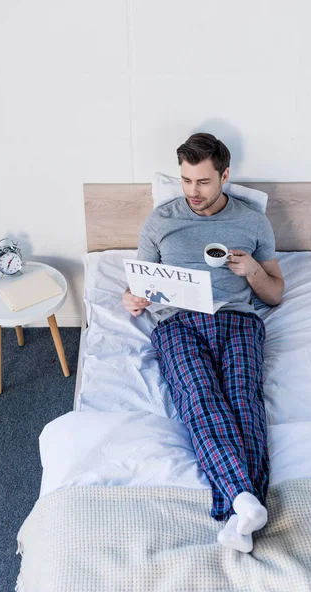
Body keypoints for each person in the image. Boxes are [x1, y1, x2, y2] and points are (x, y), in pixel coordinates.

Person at [122, 133, 284, 553]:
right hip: (177, 322)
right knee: (198, 396)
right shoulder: (161, 220)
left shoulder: (252, 222)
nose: (193, 192)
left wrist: (251, 271)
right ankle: (245, 502)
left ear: (224, 176)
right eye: (186, 181)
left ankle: (239, 506)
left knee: (242, 398)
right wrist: (132, 298)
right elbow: (136, 283)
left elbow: (275, 294)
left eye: (203, 182)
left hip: (237, 319)